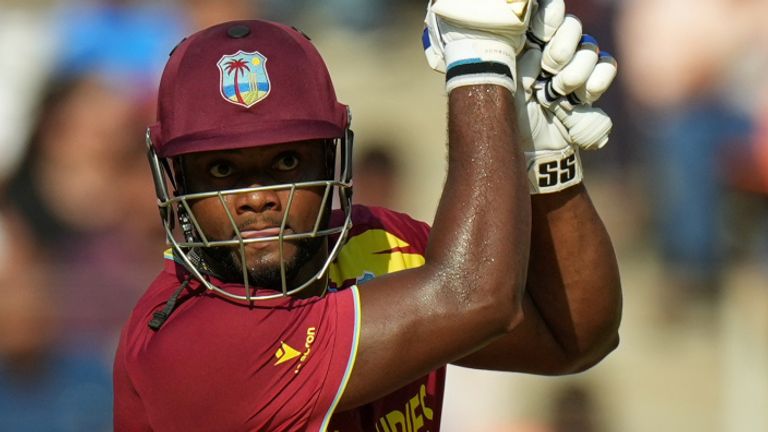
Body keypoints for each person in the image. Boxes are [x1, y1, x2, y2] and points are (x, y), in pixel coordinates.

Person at [113, 0, 622, 430]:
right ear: (175, 183)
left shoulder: (379, 244)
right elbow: (478, 297)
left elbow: (573, 337)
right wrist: (480, 61)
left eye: (287, 162)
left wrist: (543, 161)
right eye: (222, 169)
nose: (257, 198)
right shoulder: (185, 345)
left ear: (331, 161)